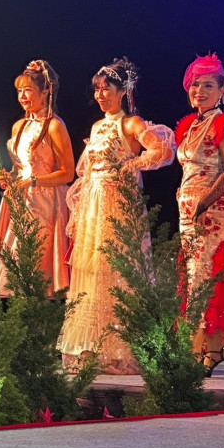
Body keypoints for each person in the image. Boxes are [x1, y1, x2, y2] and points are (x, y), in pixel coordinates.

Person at [58, 57, 175, 375]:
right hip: (94, 206)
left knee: (116, 272)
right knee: (91, 273)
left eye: (106, 88)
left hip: (118, 206)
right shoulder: (97, 127)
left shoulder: (131, 124)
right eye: (97, 89)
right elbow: (85, 172)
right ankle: (90, 348)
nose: (100, 95)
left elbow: (163, 151)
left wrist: (132, 164)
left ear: (122, 91)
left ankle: (118, 350)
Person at [175, 53, 224, 377]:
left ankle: (195, 350)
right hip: (187, 210)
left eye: (207, 86)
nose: (199, 91)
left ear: (222, 90)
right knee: (195, 277)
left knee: (203, 275)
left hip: (212, 210)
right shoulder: (191, 126)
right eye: (195, 85)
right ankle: (216, 348)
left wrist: (204, 201)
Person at [0, 59, 74, 299]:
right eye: (19, 91)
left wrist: (34, 181)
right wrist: (8, 176)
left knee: (37, 268)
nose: (22, 96)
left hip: (45, 202)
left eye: (28, 90)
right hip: (21, 200)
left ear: (45, 92)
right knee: (16, 269)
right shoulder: (19, 126)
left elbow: (67, 173)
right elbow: (20, 168)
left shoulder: (54, 126)